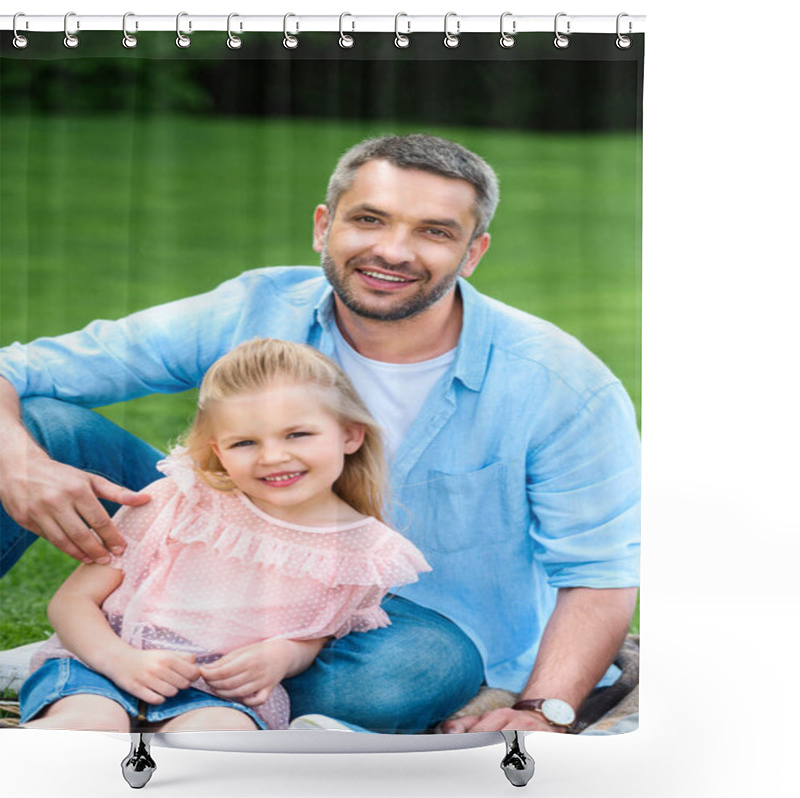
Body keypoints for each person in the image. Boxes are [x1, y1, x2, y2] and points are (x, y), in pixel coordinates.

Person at [0, 133, 640, 734]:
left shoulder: (560, 383)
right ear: (322, 227)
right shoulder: (257, 307)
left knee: (428, 667)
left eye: (434, 232)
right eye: (369, 219)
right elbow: (16, 369)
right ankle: (135, 652)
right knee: (38, 428)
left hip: (390, 629)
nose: (392, 250)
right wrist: (17, 458)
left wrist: (541, 709)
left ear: (472, 254)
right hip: (211, 548)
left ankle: (130, 661)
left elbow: (601, 572)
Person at [18, 338, 430, 732]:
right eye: (245, 442)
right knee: (90, 725)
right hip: (106, 664)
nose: (273, 457)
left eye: (297, 434)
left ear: (350, 434)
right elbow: (73, 601)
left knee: (222, 738)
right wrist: (119, 661)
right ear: (218, 451)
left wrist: (282, 657)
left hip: (218, 694)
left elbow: (315, 636)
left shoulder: (364, 552)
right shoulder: (183, 500)